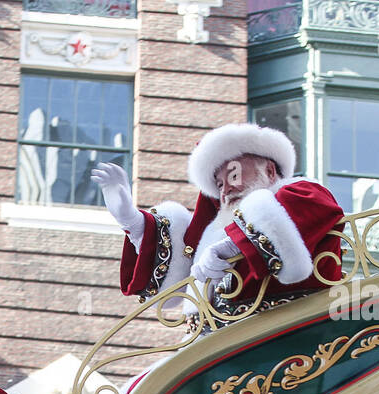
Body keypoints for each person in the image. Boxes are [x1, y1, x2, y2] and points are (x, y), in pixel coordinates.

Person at [91, 123, 345, 324]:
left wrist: (231, 247)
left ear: (269, 171)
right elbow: (180, 265)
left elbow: (295, 212)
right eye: (220, 184)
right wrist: (132, 221)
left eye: (234, 174)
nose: (226, 190)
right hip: (212, 350)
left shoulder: (302, 192)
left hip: (285, 338)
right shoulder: (218, 231)